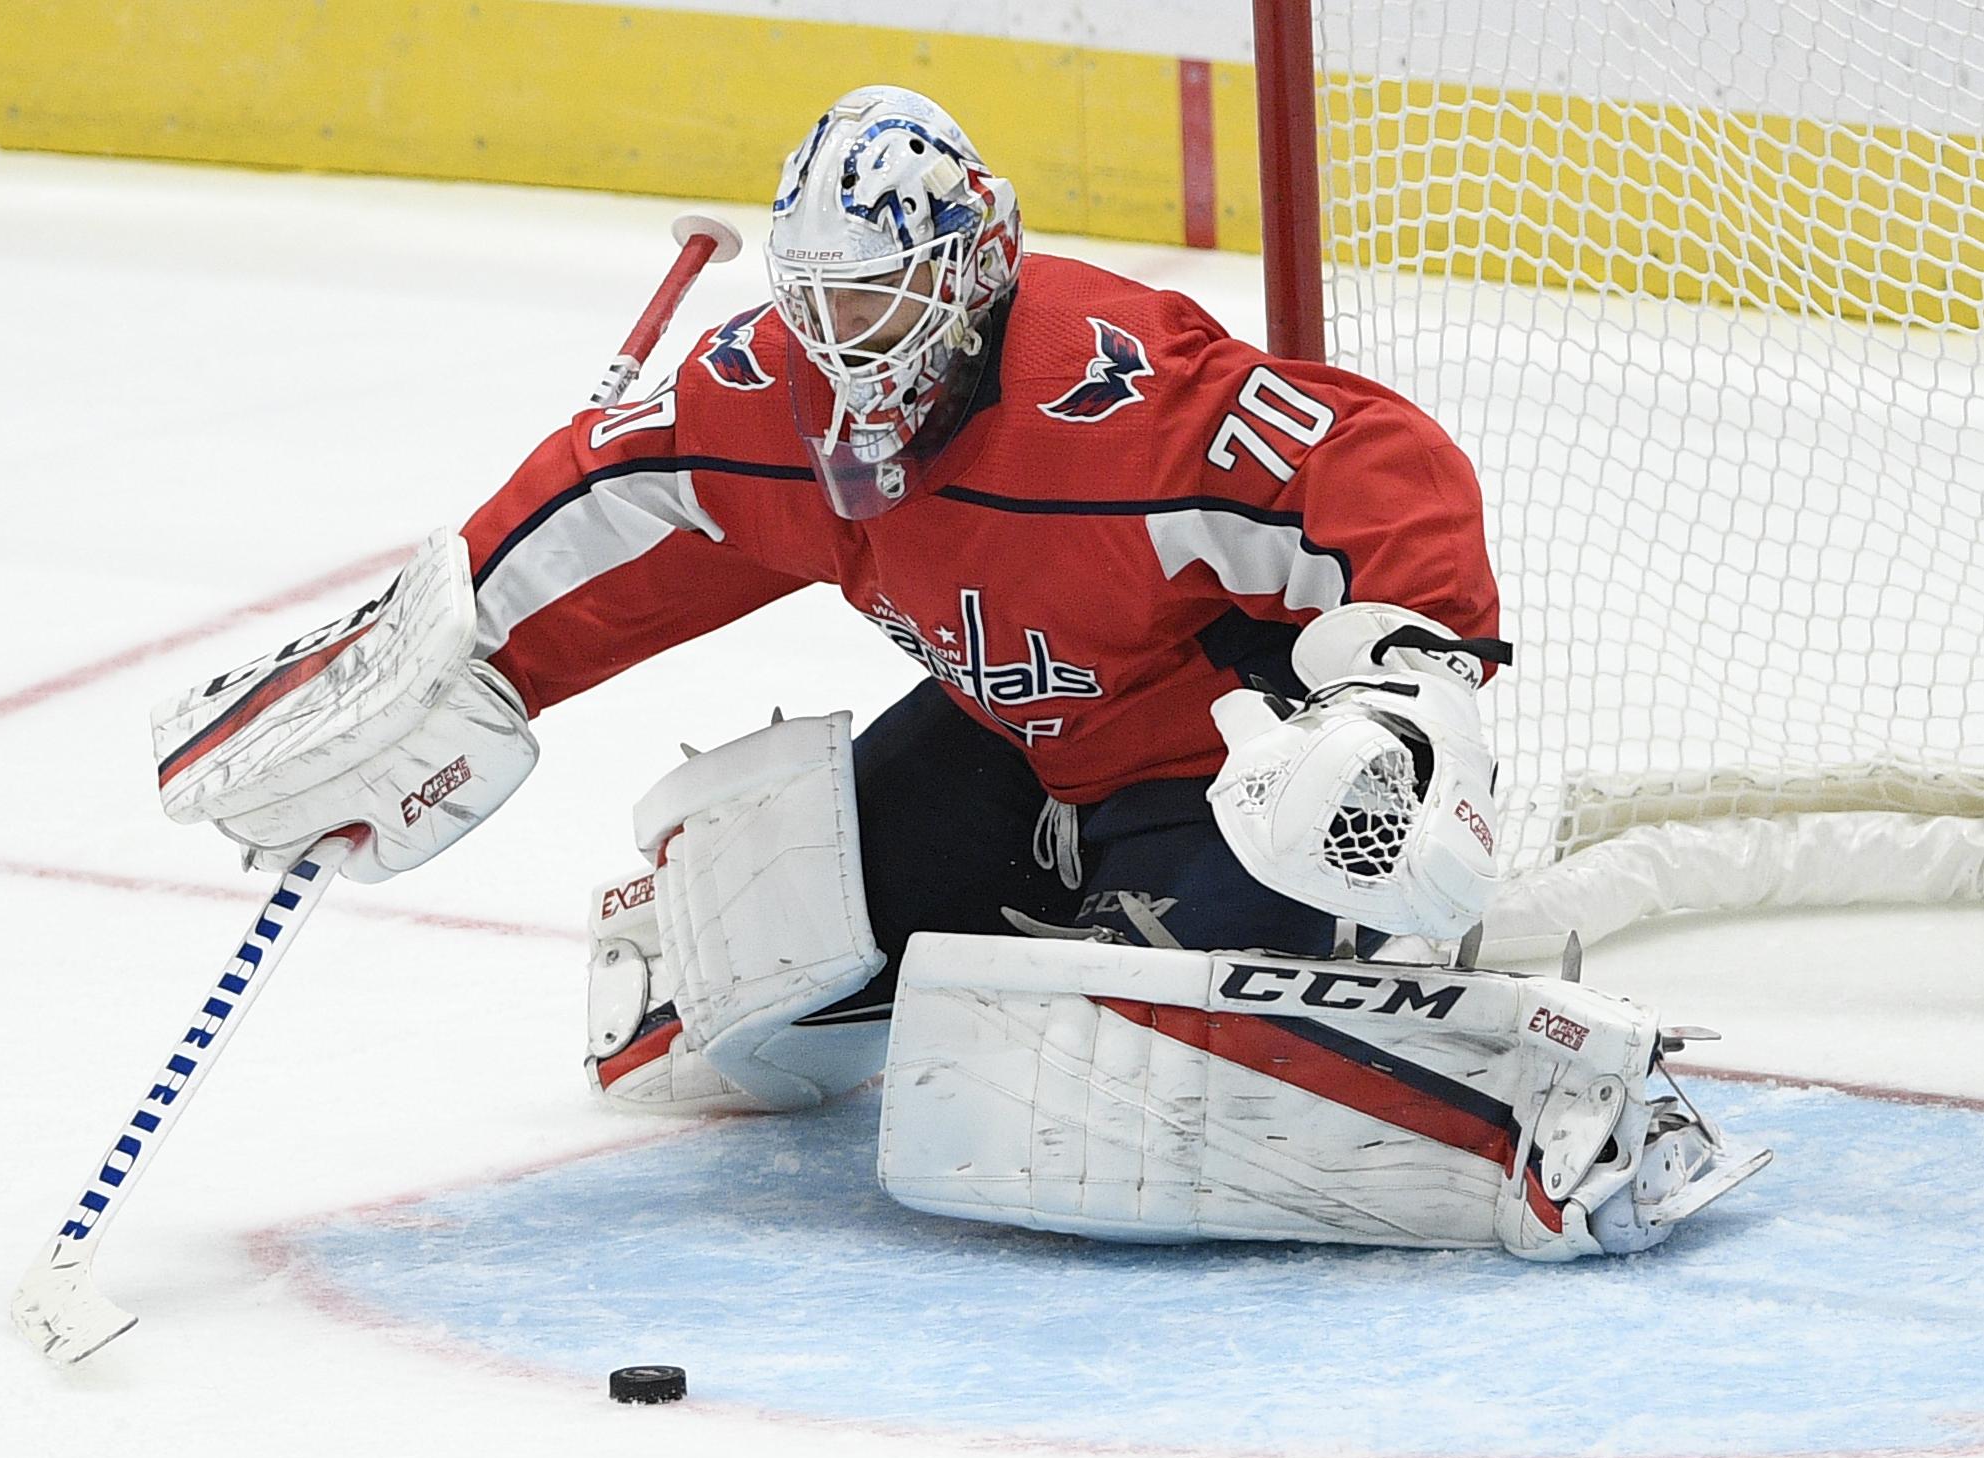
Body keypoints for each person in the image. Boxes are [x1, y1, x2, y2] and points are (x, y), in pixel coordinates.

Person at [152, 86, 1765, 1259]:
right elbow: (612, 496)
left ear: (976, 273)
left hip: (1218, 771)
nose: (845, 347)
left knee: (1094, 1084)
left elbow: (1370, 461)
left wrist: (1409, 687)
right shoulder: (771, 395)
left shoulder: (1124, 405)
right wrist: (436, 661)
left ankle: (1550, 1114)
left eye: (883, 299)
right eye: (818, 303)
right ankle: (1064, 901)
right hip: (1014, 743)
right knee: (746, 982)